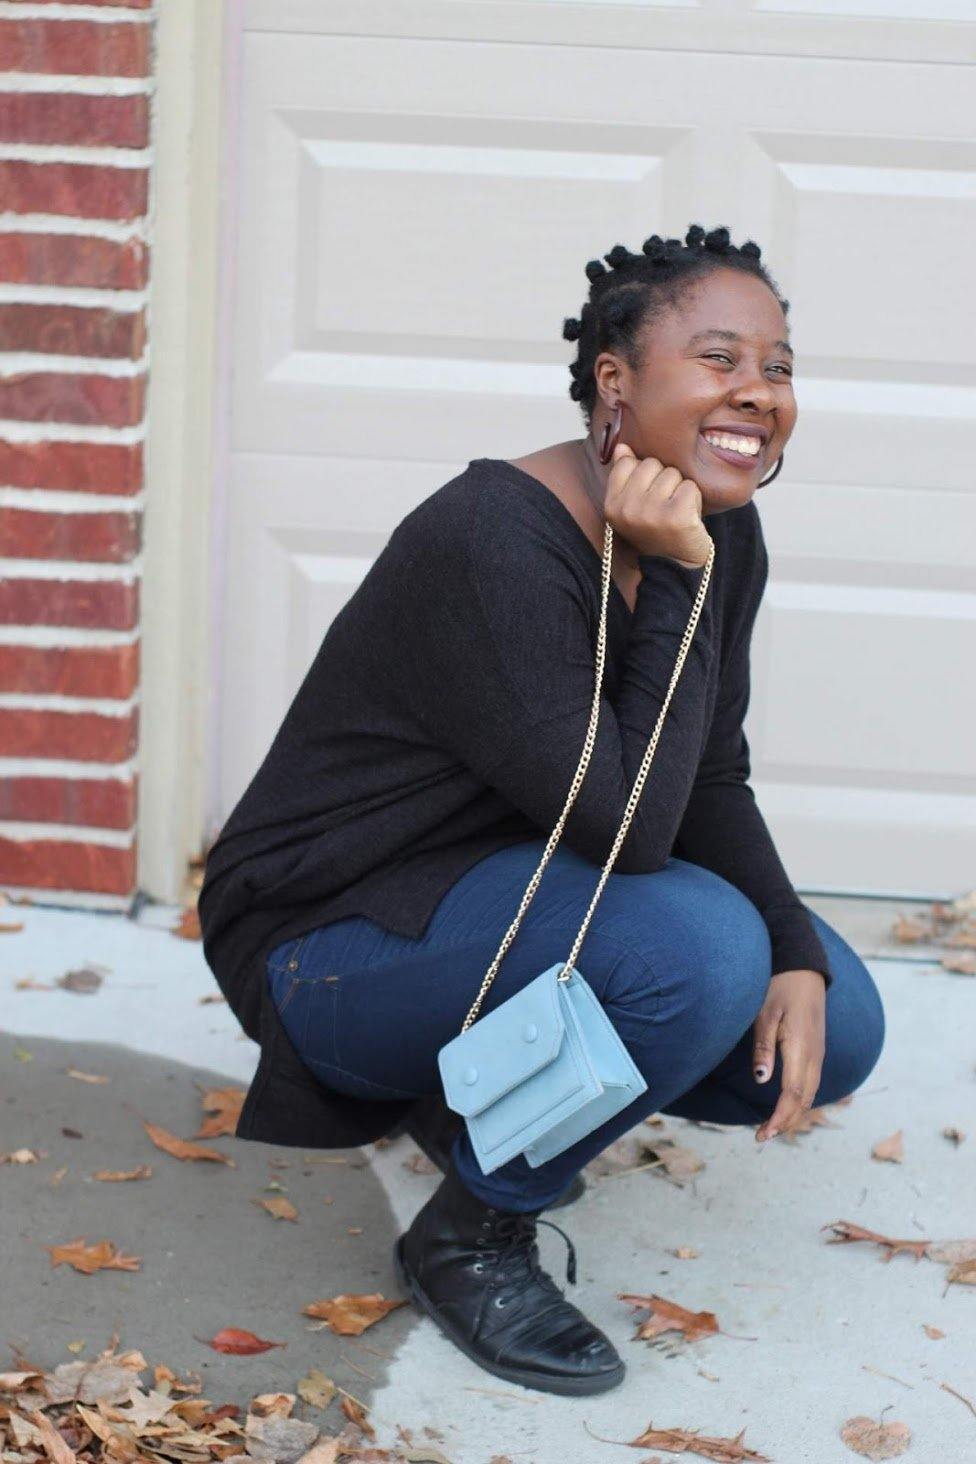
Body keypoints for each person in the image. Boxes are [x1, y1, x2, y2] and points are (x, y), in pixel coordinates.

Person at [198, 222, 885, 1399]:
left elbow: (707, 772)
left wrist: (795, 950)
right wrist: (672, 576)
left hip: (494, 891)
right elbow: (626, 832)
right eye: (718, 359)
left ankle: (466, 1092)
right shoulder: (497, 538)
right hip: (327, 934)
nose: (756, 393)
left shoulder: (723, 528)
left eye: (776, 367)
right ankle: (470, 1233)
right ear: (614, 382)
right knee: (695, 953)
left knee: (830, 1013)